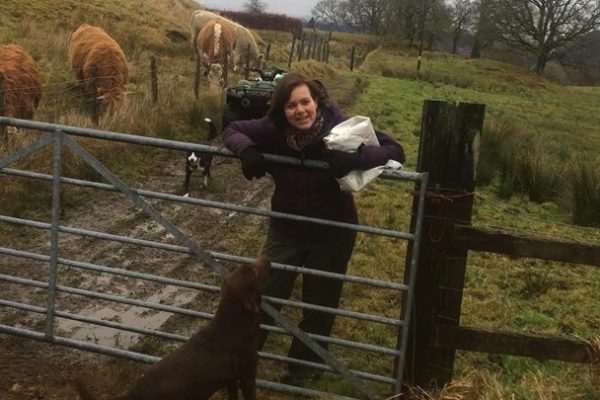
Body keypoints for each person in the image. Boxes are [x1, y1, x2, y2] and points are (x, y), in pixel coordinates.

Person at [222, 72, 405, 383]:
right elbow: (232, 128)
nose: (300, 111)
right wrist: (248, 151)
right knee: (263, 296)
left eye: (305, 102)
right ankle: (243, 360)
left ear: (316, 102)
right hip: (286, 231)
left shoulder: (340, 128)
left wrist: (356, 159)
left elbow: (394, 150)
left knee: (320, 305)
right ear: (281, 111)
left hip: (333, 233)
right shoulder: (271, 130)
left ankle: (303, 369)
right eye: (291, 106)